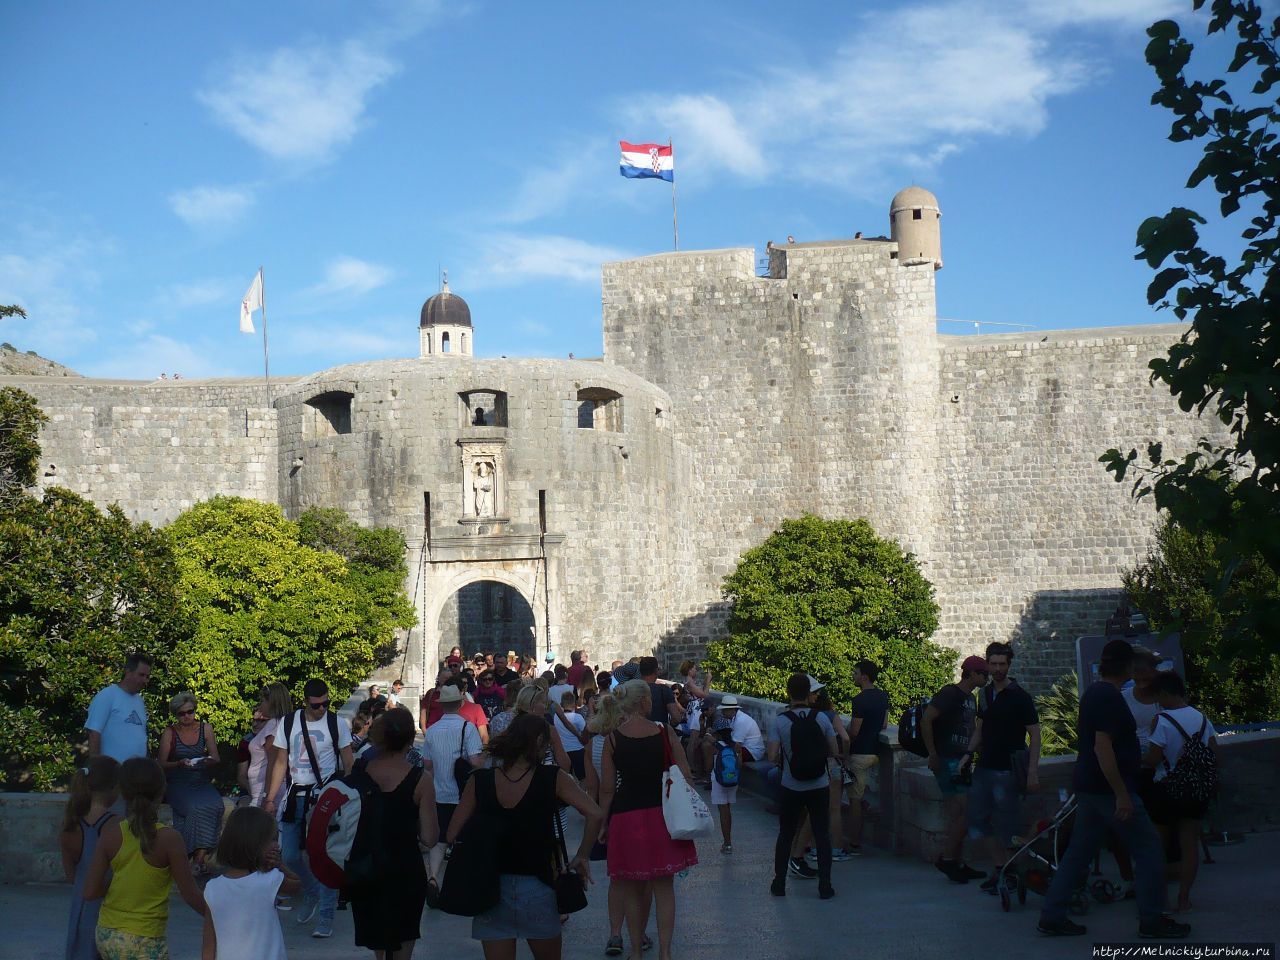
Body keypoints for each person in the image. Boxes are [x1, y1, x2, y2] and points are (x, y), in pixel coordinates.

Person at [1037, 639, 1189, 939]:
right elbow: (1102, 747)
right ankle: (1152, 919)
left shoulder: (1095, 692)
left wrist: (1138, 654)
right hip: (1109, 790)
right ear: (1127, 667)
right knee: (1148, 849)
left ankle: (1052, 916)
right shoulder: (1108, 698)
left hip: (1090, 788)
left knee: (1078, 854)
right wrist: (1121, 793)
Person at [448, 714, 603, 960]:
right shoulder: (552, 778)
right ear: (540, 741)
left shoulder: (480, 781)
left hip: (490, 887)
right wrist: (582, 855)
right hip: (539, 885)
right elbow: (594, 813)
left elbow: (452, 833)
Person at [600, 679, 698, 960]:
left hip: (626, 816)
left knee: (631, 887)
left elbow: (607, 788)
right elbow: (686, 772)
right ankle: (665, 953)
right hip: (661, 815)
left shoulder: (613, 739)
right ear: (645, 702)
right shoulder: (663, 731)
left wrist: (603, 823)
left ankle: (635, 951)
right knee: (664, 888)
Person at [84, 757, 206, 960]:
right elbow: (191, 895)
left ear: (122, 792)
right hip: (145, 940)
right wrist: (220, 917)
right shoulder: (170, 839)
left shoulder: (111, 833)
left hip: (107, 935)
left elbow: (90, 892)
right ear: (161, 791)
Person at [263, 678, 354, 939]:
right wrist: (270, 797)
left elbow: (348, 762)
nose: (322, 709)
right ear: (306, 702)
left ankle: (326, 914)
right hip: (295, 795)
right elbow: (280, 762)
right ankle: (312, 892)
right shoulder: (289, 722)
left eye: (326, 703)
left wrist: (347, 796)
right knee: (289, 854)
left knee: (321, 856)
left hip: (324, 796)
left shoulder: (337, 723)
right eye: (317, 705)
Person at [350, 708, 438, 959]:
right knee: (404, 942)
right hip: (405, 868)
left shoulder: (360, 771)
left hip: (367, 866)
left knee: (379, 944)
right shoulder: (421, 780)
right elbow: (430, 838)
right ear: (411, 739)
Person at [968, 642, 1042, 892]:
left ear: (1009, 665)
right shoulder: (984, 694)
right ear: (987, 665)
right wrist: (968, 754)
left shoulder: (1020, 696)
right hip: (985, 765)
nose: (998, 668)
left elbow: (1035, 734)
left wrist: (1032, 771)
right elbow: (981, 727)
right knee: (978, 819)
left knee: (1008, 824)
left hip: (1009, 769)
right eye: (993, 664)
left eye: (1002, 664)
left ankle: (1012, 872)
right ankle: (1001, 867)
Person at [1144, 671, 1218, 914]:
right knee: (1190, 846)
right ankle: (1184, 897)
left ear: (1165, 694)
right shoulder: (1202, 718)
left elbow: (1154, 758)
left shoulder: (1161, 719)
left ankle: (1156, 899)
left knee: (1157, 846)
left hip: (1166, 788)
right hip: (1195, 790)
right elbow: (1213, 753)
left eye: (1158, 697)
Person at [769, 673, 838, 900]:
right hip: (819, 784)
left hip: (791, 785)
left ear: (788, 693)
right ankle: (825, 885)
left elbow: (771, 756)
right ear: (809, 692)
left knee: (786, 833)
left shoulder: (780, 721)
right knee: (822, 834)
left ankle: (779, 883)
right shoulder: (821, 718)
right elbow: (835, 750)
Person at [202, 806, 302, 960]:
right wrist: (280, 865)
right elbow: (297, 884)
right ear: (256, 845)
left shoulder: (212, 888)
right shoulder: (270, 880)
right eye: (273, 840)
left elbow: (209, 943)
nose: (277, 845)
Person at [922, 655, 988, 884]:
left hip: (961, 761)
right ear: (971, 673)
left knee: (960, 814)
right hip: (948, 761)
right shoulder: (950, 693)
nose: (987, 678)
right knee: (970, 811)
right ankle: (948, 858)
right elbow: (926, 719)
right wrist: (932, 753)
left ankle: (958, 863)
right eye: (984, 674)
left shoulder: (971, 697)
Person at [423, 683, 485, 902]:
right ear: (460, 704)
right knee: (462, 839)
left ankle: (432, 877)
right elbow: (477, 761)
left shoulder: (431, 731)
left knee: (439, 840)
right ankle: (459, 886)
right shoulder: (467, 728)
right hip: (462, 794)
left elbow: (427, 765)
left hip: (439, 793)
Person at [157, 692, 224, 876]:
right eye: (182, 713)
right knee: (193, 809)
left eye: (190, 712)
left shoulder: (205, 728)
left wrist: (206, 761)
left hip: (200, 780)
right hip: (178, 781)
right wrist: (178, 763)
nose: (187, 716)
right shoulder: (170, 732)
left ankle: (199, 859)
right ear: (176, 715)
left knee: (216, 806)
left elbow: (216, 757)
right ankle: (186, 857)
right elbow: (161, 763)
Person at [61, 756, 119, 960]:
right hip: (109, 909)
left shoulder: (71, 824)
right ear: (114, 787)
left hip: (80, 907)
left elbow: (71, 876)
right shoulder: (116, 825)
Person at [845, 659, 888, 852]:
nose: (853, 676)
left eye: (855, 673)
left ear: (864, 677)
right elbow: (885, 724)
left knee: (854, 799)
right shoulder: (883, 696)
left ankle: (854, 841)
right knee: (860, 794)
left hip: (860, 754)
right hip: (876, 752)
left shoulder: (859, 700)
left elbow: (854, 731)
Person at [85, 652, 152, 765]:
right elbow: (94, 732)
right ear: (128, 672)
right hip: (112, 773)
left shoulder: (139, 701)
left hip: (136, 774)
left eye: (147, 676)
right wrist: (97, 768)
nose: (145, 680)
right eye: (141, 675)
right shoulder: (107, 695)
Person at [812, 688, 855, 862]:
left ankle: (814, 849)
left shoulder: (809, 715)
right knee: (834, 808)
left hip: (814, 763)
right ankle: (836, 849)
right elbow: (845, 738)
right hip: (832, 763)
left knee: (814, 809)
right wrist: (844, 757)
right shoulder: (830, 716)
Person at [244, 683, 291, 810]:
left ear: (272, 702)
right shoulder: (278, 724)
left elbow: (273, 762)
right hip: (260, 791)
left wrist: (267, 796)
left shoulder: (274, 726)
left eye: (263, 701)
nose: (261, 705)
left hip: (264, 792)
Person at [709, 714, 741, 854]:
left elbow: (710, 765)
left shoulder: (714, 746)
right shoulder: (736, 746)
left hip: (718, 780)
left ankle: (727, 843)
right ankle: (728, 840)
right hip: (733, 780)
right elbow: (739, 764)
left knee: (723, 811)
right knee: (728, 809)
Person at [677, 661, 712, 779]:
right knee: (693, 741)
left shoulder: (689, 683)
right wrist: (707, 681)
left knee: (694, 740)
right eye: (694, 669)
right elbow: (704, 695)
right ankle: (692, 768)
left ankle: (693, 767)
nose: (696, 671)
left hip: (694, 711)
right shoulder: (690, 683)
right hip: (696, 712)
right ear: (689, 670)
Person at [638, 657, 684, 727]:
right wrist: (668, 728)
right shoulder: (663, 690)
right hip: (657, 733)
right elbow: (676, 718)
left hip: (634, 734)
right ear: (656, 671)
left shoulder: (629, 689)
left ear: (640, 671)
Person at [554, 689, 588, 781]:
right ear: (574, 704)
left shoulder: (556, 717)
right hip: (578, 750)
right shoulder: (578, 718)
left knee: (566, 778)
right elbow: (585, 733)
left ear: (561, 704)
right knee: (582, 778)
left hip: (563, 750)